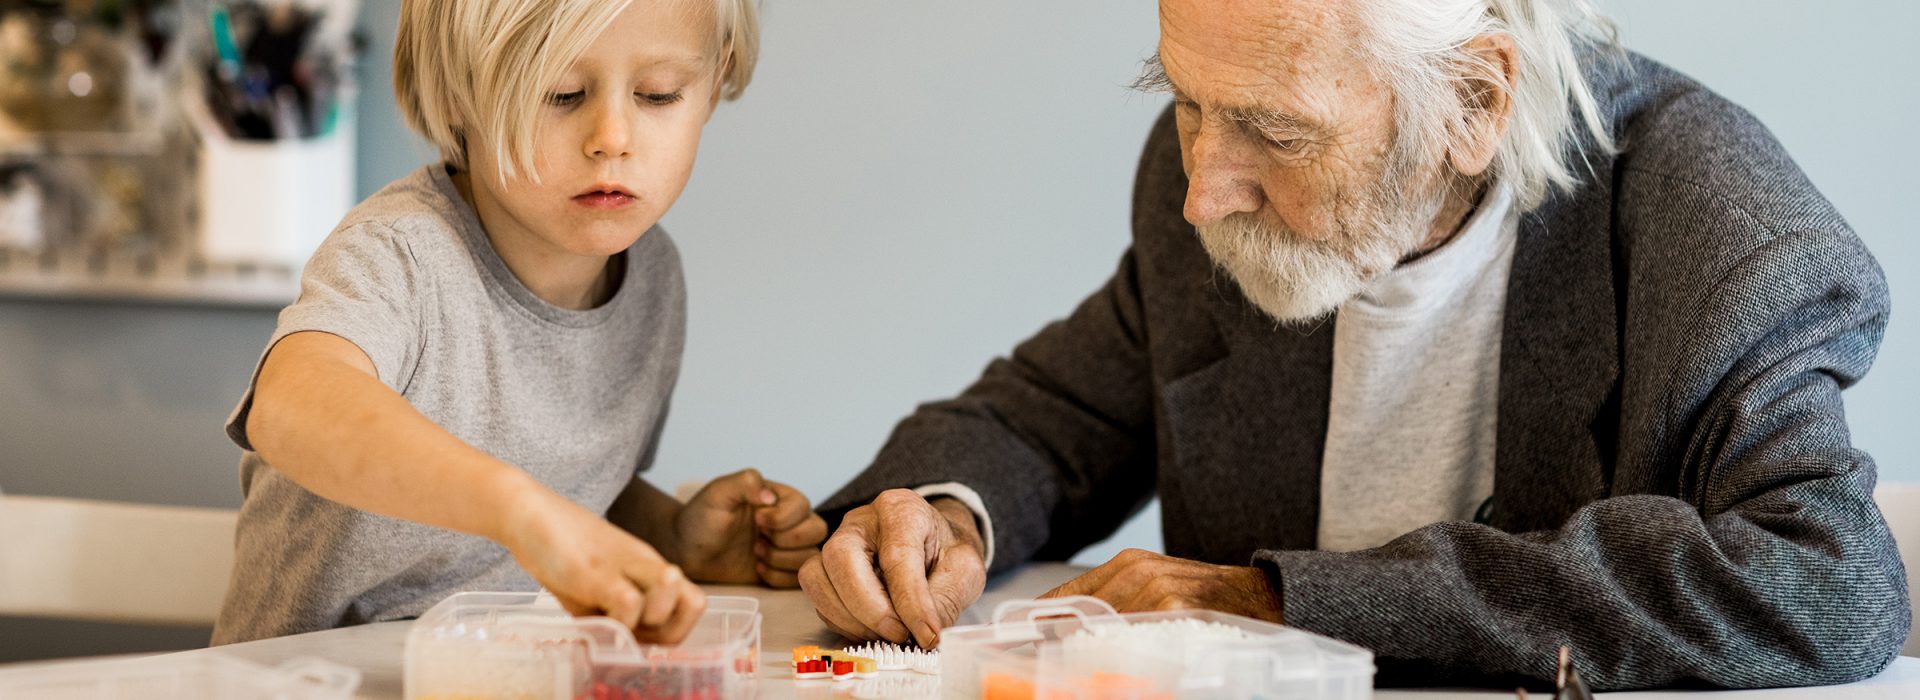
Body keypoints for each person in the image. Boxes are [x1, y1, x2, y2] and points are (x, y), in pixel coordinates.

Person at [802, 0, 1909, 689]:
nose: (1201, 191)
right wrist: (937, 513)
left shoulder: (1717, 220)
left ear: (1473, 100)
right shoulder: (1211, 164)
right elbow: (1057, 419)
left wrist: (1281, 600)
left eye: (1272, 132)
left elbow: (1828, 584)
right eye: (1185, 103)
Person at [213, 0, 827, 645]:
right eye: (560, 93)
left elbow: (575, 487)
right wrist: (516, 511)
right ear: (457, 95)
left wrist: (673, 537)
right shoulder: (401, 251)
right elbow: (289, 408)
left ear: (712, 83)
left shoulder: (651, 274)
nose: (612, 136)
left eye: (658, 94)